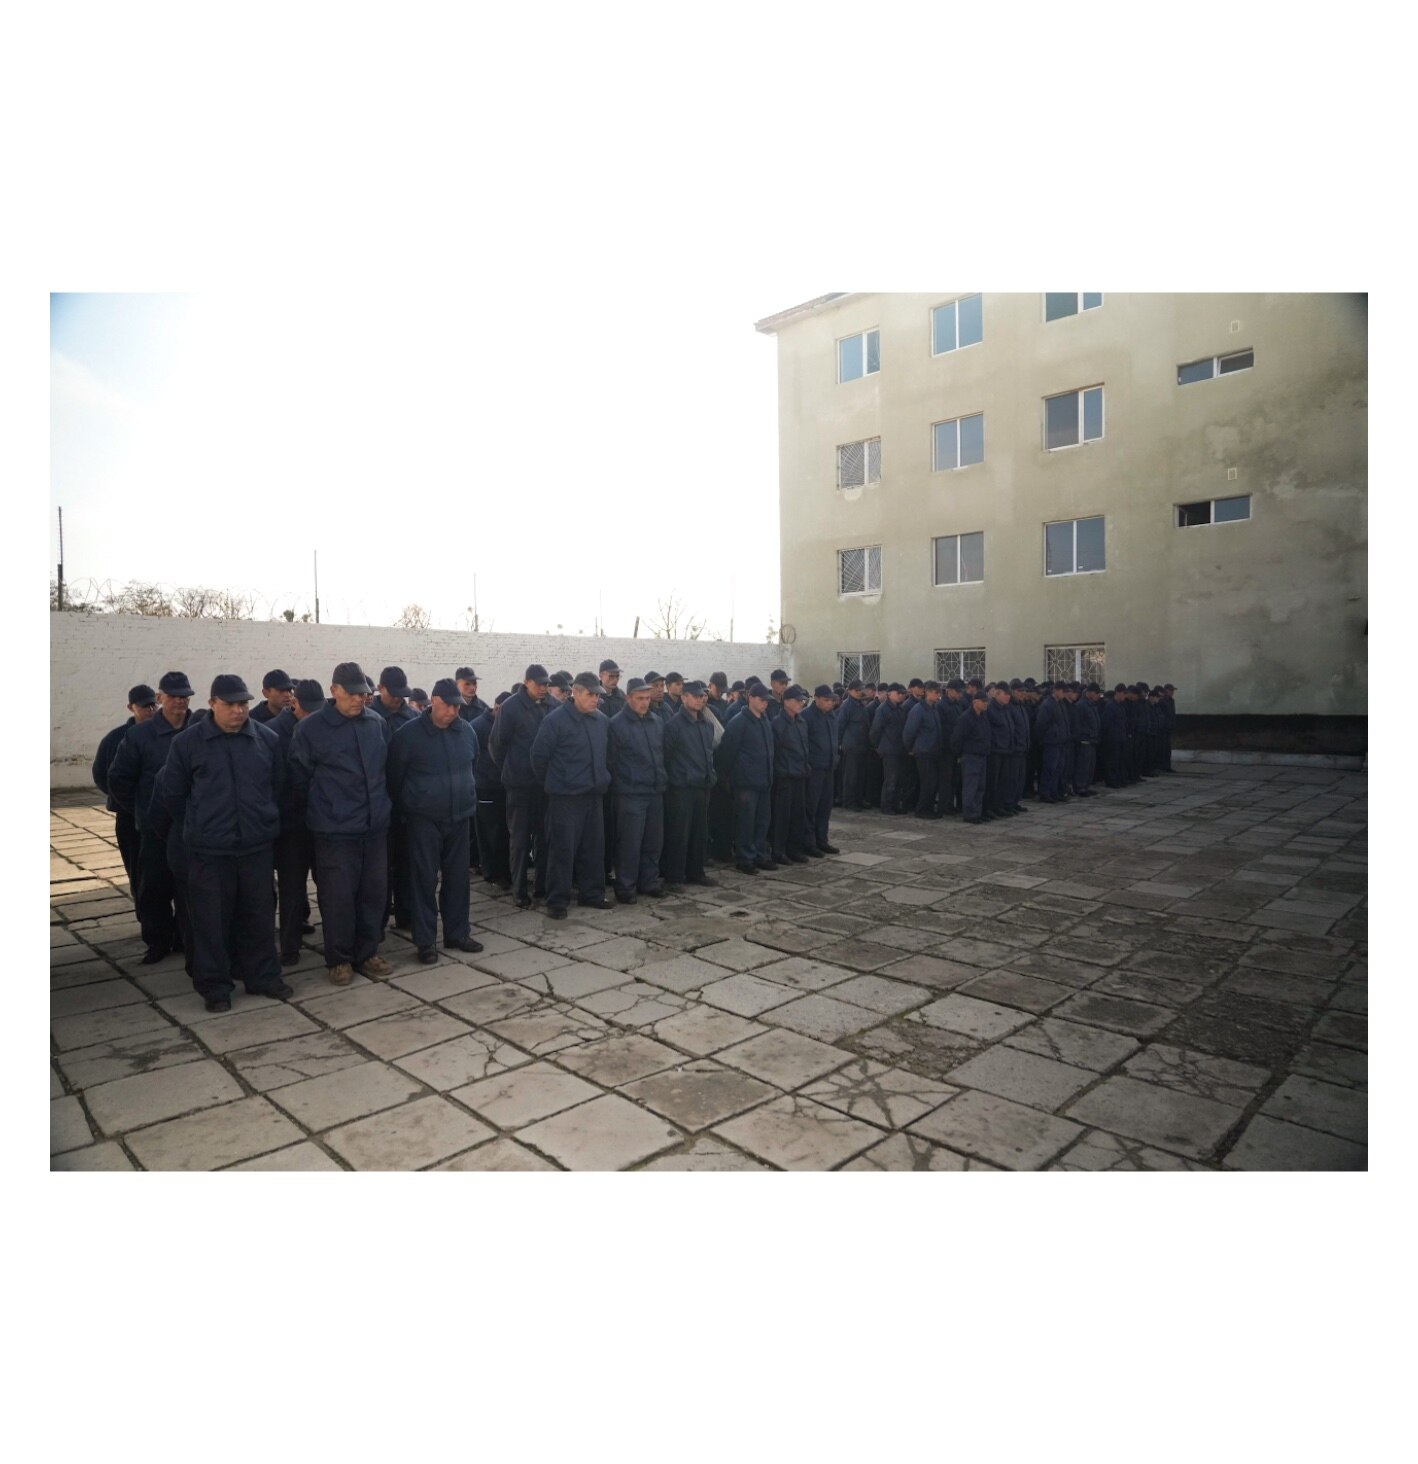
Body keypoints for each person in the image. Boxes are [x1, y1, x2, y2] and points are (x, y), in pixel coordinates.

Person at [153, 675, 292, 1012]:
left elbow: (278, 785)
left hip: (255, 847)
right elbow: (172, 793)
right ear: (213, 703)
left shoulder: (267, 740)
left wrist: (262, 819)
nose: (238, 710)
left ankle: (262, 976)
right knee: (210, 921)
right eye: (230, 704)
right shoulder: (188, 744)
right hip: (209, 851)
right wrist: (199, 825)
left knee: (258, 915)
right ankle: (215, 987)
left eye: (243, 703)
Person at [288, 661, 395, 986]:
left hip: (373, 827)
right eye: (351, 693)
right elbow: (298, 779)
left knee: (373, 894)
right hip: (334, 830)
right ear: (334, 691)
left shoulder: (375, 724)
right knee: (337, 898)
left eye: (363, 693)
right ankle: (339, 959)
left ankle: (367, 952)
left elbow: (385, 770)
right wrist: (327, 808)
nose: (358, 699)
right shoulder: (311, 729)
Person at [387, 678, 485, 963]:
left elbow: (473, 766)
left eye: (457, 707)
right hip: (423, 820)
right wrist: (409, 808)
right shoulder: (409, 735)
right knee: (423, 881)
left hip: (459, 818)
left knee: (457, 880)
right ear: (434, 701)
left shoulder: (466, 732)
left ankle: (457, 932)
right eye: (449, 706)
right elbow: (395, 776)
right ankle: (426, 941)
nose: (454, 712)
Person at [108, 670, 202, 963]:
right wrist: (142, 811)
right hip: (154, 829)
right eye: (173, 696)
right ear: (160, 698)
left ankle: (189, 941)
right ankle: (158, 941)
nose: (180, 702)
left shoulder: (200, 729)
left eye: (184, 697)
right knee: (153, 889)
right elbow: (119, 780)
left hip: (191, 828)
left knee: (190, 889)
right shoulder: (140, 736)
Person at [530, 671, 614, 919]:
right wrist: (557, 783)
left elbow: (608, 755)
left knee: (593, 848)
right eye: (590, 695)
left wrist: (601, 778)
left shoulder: (601, 721)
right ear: (575, 692)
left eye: (597, 696)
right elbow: (538, 758)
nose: (595, 700)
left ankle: (592, 893)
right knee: (562, 850)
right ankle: (557, 900)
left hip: (593, 795)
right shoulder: (555, 721)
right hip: (565, 797)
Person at [270, 678, 324, 964]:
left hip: (323, 821)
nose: (313, 715)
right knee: (292, 888)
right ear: (294, 704)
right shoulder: (273, 734)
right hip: (291, 825)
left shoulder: (325, 727)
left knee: (328, 884)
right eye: (308, 710)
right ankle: (289, 947)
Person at [489, 664, 552, 908]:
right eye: (539, 684)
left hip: (544, 785)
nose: (543, 688)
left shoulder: (551, 706)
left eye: (546, 684)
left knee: (544, 837)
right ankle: (519, 889)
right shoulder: (511, 707)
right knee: (520, 839)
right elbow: (497, 745)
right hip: (519, 785)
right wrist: (511, 769)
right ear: (527, 682)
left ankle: (542, 885)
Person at [605, 676, 668, 904]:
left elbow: (661, 754)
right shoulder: (617, 725)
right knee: (630, 843)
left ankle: (648, 881)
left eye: (647, 698)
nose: (645, 703)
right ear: (628, 698)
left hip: (654, 790)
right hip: (630, 793)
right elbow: (610, 761)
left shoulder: (656, 721)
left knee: (653, 841)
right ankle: (625, 886)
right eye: (640, 698)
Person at [92, 684, 156, 894]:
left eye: (153, 705)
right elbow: (102, 775)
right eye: (145, 706)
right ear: (131, 707)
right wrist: (131, 802)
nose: (150, 710)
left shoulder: (165, 734)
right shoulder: (115, 739)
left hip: (159, 816)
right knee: (137, 871)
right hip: (129, 816)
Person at [662, 679, 718, 888]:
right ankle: (674, 876)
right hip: (681, 788)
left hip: (702, 786)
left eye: (703, 696)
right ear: (684, 697)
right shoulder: (673, 726)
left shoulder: (706, 724)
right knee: (679, 833)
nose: (700, 699)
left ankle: (696, 871)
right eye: (695, 696)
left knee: (699, 833)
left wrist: (710, 775)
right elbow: (666, 757)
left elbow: (708, 754)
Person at [716, 681, 775, 873]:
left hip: (764, 780)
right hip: (746, 782)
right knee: (746, 822)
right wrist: (730, 778)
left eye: (767, 700)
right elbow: (727, 752)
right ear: (750, 698)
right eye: (761, 700)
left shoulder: (764, 720)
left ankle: (759, 854)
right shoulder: (738, 722)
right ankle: (745, 858)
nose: (765, 703)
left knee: (762, 821)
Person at [769, 684, 814, 863]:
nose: (801, 704)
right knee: (782, 817)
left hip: (800, 774)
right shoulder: (777, 724)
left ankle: (794, 849)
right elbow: (775, 752)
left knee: (798, 815)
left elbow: (804, 747)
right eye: (797, 700)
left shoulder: (801, 722)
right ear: (786, 702)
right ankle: (778, 851)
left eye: (803, 701)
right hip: (784, 776)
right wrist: (781, 770)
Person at [471, 692, 512, 890]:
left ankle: (503, 871)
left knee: (503, 831)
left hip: (503, 786)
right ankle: (491, 872)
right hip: (485, 788)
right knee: (489, 832)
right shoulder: (478, 726)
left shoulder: (506, 724)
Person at [802, 684, 841, 852]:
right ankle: (809, 843)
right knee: (811, 806)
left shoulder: (832, 716)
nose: (829, 704)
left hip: (829, 766)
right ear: (816, 699)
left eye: (831, 701)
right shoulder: (807, 716)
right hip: (814, 768)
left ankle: (822, 839)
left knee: (825, 806)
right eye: (825, 700)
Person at [951, 689, 993, 824]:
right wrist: (959, 755)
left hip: (982, 756)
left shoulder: (983, 717)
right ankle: (969, 813)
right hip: (970, 756)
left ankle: (977, 812)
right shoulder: (966, 718)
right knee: (971, 786)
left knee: (980, 786)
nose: (986, 704)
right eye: (984, 701)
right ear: (975, 702)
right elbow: (957, 738)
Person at [903, 680, 943, 819]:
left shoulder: (934, 708)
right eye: (935, 692)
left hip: (933, 751)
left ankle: (929, 808)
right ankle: (922, 809)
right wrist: (910, 748)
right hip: (923, 751)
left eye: (939, 692)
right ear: (927, 692)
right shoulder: (918, 710)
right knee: (928, 782)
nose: (938, 695)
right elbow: (909, 731)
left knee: (932, 782)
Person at [869, 683, 908, 814]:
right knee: (890, 779)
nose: (901, 696)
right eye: (899, 693)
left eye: (903, 693)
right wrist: (877, 747)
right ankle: (886, 805)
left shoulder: (900, 708)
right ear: (889, 693)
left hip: (899, 748)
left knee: (899, 779)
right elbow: (875, 730)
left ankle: (895, 804)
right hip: (889, 749)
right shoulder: (883, 709)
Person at [1035, 683, 1072, 804]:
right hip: (1051, 742)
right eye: (1062, 691)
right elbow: (1041, 725)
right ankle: (1045, 793)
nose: (1064, 693)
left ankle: (1054, 792)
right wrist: (1045, 738)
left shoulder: (1060, 704)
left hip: (1061, 742)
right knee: (1049, 768)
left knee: (1058, 768)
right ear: (1055, 691)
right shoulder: (1047, 705)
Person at [837, 679, 870, 810]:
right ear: (849, 691)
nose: (859, 692)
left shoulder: (860, 704)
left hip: (862, 744)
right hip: (851, 745)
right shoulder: (847, 706)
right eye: (856, 690)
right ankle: (849, 801)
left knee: (861, 775)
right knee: (851, 775)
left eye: (861, 689)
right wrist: (839, 743)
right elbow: (840, 725)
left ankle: (858, 798)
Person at [938, 680, 965, 815]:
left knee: (955, 778)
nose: (960, 694)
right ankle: (944, 805)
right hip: (945, 749)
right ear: (950, 690)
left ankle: (950, 804)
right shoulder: (941, 706)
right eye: (958, 691)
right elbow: (941, 729)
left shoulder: (957, 706)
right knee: (945, 779)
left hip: (955, 748)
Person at [1073, 684, 1101, 796]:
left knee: (1090, 765)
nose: (1098, 696)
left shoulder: (1092, 705)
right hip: (1085, 740)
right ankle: (1080, 787)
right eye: (1096, 693)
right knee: (1083, 765)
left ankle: (1086, 786)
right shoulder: (1081, 705)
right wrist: (1085, 735)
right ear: (1089, 693)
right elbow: (1078, 724)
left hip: (1093, 740)